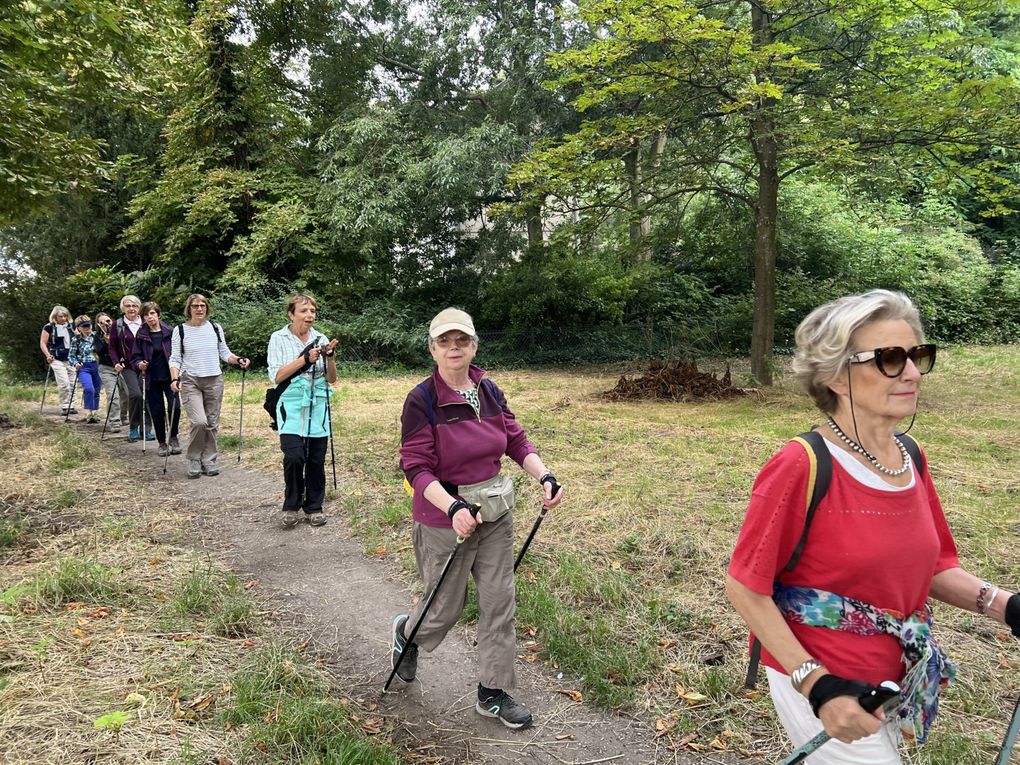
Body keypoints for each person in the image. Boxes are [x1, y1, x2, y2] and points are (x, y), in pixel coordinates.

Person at [725, 289, 1020, 764]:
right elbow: (745, 586)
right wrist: (815, 684)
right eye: (888, 358)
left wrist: (1005, 606)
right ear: (834, 376)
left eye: (917, 355)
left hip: (891, 676)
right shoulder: (800, 464)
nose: (910, 372)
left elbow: (933, 567)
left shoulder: (910, 458)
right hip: (827, 681)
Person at [392, 307, 564, 730]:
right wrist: (451, 507)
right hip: (443, 515)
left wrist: (544, 475)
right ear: (432, 348)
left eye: (462, 341)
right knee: (444, 609)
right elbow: (415, 467)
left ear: (474, 346)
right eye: (445, 342)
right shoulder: (422, 399)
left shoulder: (488, 390)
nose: (455, 348)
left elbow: (516, 440)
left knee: (499, 601)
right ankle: (406, 634)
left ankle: (492, 691)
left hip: (493, 511)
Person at [266, 293, 337, 527]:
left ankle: (314, 507)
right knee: (295, 456)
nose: (309, 316)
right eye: (304, 311)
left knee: (316, 458)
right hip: (290, 403)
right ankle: (291, 505)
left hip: (317, 403)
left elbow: (332, 379)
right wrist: (305, 359)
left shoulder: (320, 337)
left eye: (313, 311)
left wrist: (330, 358)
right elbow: (277, 376)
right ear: (291, 313)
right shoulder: (278, 338)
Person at [169, 293, 250, 478]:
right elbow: (175, 358)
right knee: (199, 421)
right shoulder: (180, 330)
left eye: (202, 305)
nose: (199, 309)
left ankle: (209, 459)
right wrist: (174, 379)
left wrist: (238, 360)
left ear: (207, 308)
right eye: (195, 306)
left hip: (214, 378)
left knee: (212, 422)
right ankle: (194, 458)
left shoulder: (215, 327)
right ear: (189, 309)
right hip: (190, 379)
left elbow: (224, 352)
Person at [131, 302, 180, 458]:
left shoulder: (170, 332)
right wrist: (140, 364)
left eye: (152, 313)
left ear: (159, 314)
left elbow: (179, 354)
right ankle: (162, 442)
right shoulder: (141, 335)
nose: (149, 317)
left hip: (170, 377)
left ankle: (173, 436)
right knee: (157, 411)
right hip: (151, 378)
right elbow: (135, 357)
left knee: (175, 407)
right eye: (146, 315)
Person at [108, 294, 153, 442]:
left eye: (134, 306)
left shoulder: (145, 323)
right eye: (128, 306)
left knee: (147, 396)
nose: (131, 308)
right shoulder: (118, 324)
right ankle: (133, 427)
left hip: (146, 365)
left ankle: (146, 430)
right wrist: (116, 362)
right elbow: (113, 347)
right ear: (123, 308)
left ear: (139, 307)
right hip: (127, 365)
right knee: (135, 394)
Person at [39, 305, 76, 416]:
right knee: (64, 383)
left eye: (65, 316)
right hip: (56, 358)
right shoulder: (49, 327)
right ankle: (65, 406)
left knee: (73, 383)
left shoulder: (71, 326)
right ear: (55, 316)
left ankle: (71, 405)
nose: (63, 318)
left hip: (71, 358)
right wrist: (47, 355)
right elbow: (43, 343)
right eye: (61, 316)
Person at [68, 315, 102, 423]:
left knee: (96, 390)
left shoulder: (96, 336)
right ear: (79, 328)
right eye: (84, 327)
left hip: (96, 365)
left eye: (89, 326)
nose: (87, 329)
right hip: (84, 367)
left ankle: (94, 414)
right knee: (89, 388)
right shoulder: (76, 340)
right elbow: (71, 356)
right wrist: (76, 363)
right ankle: (88, 413)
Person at [94, 312, 121, 432]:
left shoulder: (120, 332)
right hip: (106, 368)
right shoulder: (97, 337)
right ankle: (114, 421)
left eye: (108, 321)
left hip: (122, 367)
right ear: (98, 325)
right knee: (113, 395)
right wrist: (106, 342)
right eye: (102, 322)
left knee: (127, 395)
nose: (106, 324)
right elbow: (98, 351)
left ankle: (124, 417)